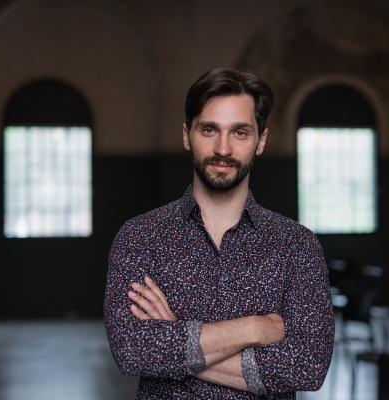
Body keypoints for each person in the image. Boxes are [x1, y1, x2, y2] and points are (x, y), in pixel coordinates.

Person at [104, 68, 334, 399]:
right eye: (209, 130)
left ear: (261, 141)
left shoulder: (297, 245)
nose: (223, 149)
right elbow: (132, 350)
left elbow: (308, 365)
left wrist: (173, 337)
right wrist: (256, 328)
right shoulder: (140, 237)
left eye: (240, 132)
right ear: (187, 135)